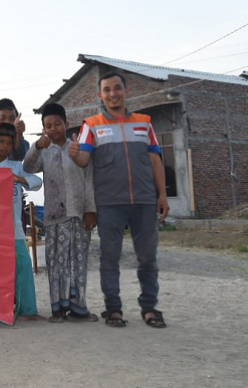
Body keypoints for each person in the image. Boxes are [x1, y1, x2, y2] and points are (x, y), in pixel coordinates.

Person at [70, 72, 169, 328]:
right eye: (107, 89)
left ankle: (149, 308)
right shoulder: (91, 124)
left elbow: (155, 159)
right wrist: (74, 154)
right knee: (109, 257)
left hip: (145, 202)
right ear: (100, 95)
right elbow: (83, 161)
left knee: (147, 257)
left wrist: (162, 194)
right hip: (109, 203)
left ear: (126, 91)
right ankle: (113, 309)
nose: (112, 93)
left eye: (117, 88)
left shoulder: (144, 123)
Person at [23, 103, 97, 323]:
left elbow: (89, 180)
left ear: (66, 123)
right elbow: (28, 167)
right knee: (56, 263)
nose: (53, 129)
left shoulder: (80, 147)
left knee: (79, 261)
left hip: (79, 214)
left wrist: (91, 210)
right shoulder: (44, 150)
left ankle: (79, 308)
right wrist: (37, 145)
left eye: (57, 124)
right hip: (55, 216)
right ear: (43, 128)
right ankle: (58, 310)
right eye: (48, 125)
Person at [0, 122, 43, 320]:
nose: (4, 146)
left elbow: (38, 182)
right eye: (1, 141)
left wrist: (19, 180)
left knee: (24, 266)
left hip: (15, 230)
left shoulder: (17, 166)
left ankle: (27, 310)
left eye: (9, 143)